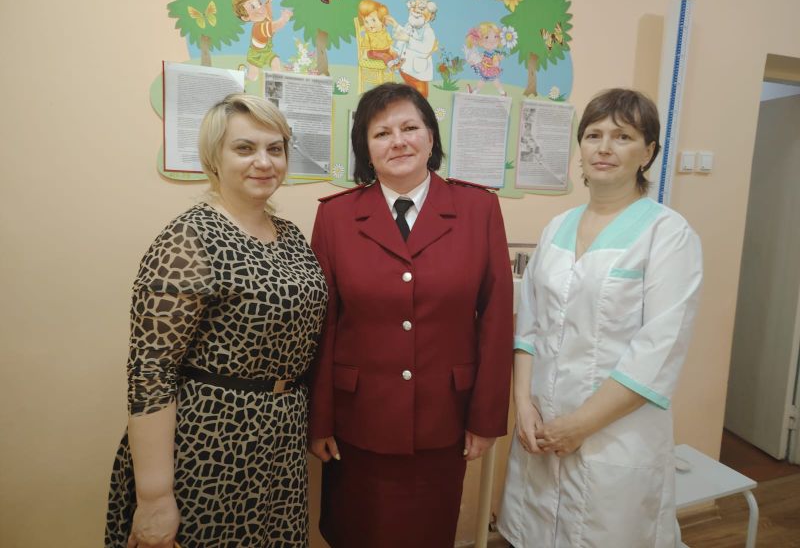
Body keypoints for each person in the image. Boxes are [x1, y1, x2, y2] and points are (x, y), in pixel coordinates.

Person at [105, 94, 327, 547]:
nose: (264, 161)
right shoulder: (189, 238)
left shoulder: (290, 237)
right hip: (209, 444)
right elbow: (151, 371)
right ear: (214, 157)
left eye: (275, 148)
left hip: (281, 443)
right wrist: (155, 496)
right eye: (244, 148)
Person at [309, 82, 513, 548]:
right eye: (381, 133)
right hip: (358, 422)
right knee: (356, 534)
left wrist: (485, 418)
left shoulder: (478, 209)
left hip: (444, 420)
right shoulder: (336, 217)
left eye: (409, 128)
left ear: (431, 137)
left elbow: (496, 319)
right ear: (365, 148)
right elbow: (325, 325)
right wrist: (319, 421)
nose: (397, 141)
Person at [497, 88, 703, 547]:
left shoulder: (667, 234)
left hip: (615, 436)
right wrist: (523, 405)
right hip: (542, 430)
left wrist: (580, 425)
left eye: (622, 136)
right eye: (593, 135)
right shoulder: (557, 228)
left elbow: (658, 349)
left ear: (647, 153)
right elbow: (529, 327)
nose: (604, 147)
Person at [233, 0, 293, 80]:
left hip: (267, 51)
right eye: (253, 7)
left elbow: (268, 13)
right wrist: (283, 19)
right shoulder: (259, 28)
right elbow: (275, 26)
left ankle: (276, 82)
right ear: (245, 17)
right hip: (255, 54)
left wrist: (269, 0)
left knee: (275, 61)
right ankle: (244, 73)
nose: (260, 8)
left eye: (259, 3)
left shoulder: (264, 18)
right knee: (253, 77)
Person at [394, 0, 438, 98]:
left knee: (421, 96)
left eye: (422, 9)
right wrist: (397, 52)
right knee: (407, 94)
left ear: (431, 16)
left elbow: (425, 48)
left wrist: (408, 39)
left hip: (418, 71)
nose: (416, 11)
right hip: (405, 68)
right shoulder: (409, 25)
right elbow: (401, 39)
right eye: (414, 7)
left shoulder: (428, 31)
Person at [357, 0, 401, 68]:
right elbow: (366, 46)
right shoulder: (368, 34)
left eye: (373, 20)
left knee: (394, 53)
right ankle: (391, 65)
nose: (370, 25)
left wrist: (391, 49)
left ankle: (398, 63)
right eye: (366, 22)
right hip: (373, 52)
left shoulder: (384, 32)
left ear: (382, 20)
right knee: (385, 56)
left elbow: (388, 41)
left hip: (385, 49)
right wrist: (365, 55)